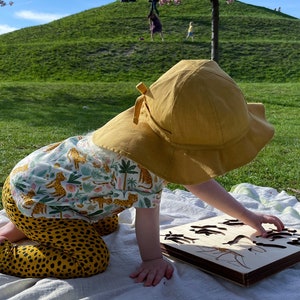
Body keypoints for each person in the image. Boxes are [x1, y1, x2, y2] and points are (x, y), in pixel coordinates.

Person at [0, 59, 284, 286]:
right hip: (34, 201)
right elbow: (147, 221)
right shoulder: (141, 166)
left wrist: (248, 216)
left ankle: (19, 228)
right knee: (90, 259)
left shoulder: (150, 121)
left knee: (108, 224)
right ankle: (9, 248)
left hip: (30, 182)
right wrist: (152, 259)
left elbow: (196, 181)